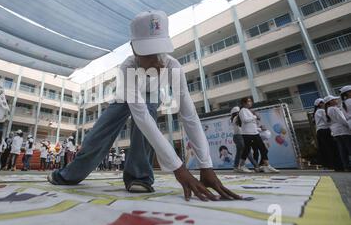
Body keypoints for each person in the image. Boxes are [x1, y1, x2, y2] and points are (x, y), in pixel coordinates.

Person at [49, 10, 241, 201]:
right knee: (97, 136)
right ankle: (67, 175)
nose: (156, 60)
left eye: (159, 51)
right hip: (125, 96)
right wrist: (178, 168)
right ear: (134, 49)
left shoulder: (173, 66)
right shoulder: (127, 67)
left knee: (149, 111)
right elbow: (139, 115)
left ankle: (139, 177)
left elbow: (189, 116)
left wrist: (206, 166)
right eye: (147, 53)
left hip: (151, 96)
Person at [236, 97, 279, 173]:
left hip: (255, 133)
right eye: (248, 101)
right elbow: (245, 120)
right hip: (247, 134)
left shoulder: (248, 111)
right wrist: (255, 116)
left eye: (251, 101)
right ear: (244, 103)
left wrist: (259, 129)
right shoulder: (242, 111)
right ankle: (241, 166)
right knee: (247, 150)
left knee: (263, 149)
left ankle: (267, 166)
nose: (250, 102)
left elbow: (252, 125)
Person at [324, 95, 351, 171]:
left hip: (336, 132)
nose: (336, 100)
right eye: (334, 99)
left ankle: (346, 166)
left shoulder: (327, 110)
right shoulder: (334, 109)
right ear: (330, 102)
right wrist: (348, 126)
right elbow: (341, 119)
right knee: (349, 147)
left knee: (342, 149)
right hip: (343, 130)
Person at [230, 107, 259, 173]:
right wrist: (253, 116)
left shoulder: (237, 118)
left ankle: (237, 167)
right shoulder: (236, 118)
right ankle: (255, 166)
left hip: (239, 136)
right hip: (238, 137)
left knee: (241, 152)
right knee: (247, 152)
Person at [313, 98, 338, 169]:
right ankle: (335, 164)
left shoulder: (316, 112)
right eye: (323, 103)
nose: (325, 104)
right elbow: (327, 120)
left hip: (320, 131)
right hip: (325, 130)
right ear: (319, 104)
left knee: (325, 148)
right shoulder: (321, 111)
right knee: (331, 147)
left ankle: (330, 164)